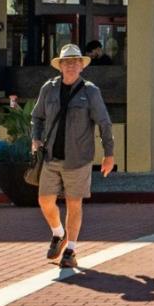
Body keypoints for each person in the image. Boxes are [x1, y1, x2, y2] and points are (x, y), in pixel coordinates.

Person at [31, 44, 117, 270]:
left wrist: (109, 154)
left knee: (74, 203)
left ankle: (70, 251)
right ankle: (58, 234)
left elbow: (104, 123)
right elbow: (37, 117)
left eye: (75, 62)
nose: (71, 65)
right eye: (66, 62)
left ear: (82, 66)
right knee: (44, 200)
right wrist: (36, 139)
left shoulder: (91, 91)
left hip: (78, 159)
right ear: (60, 66)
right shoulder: (48, 89)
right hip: (51, 157)